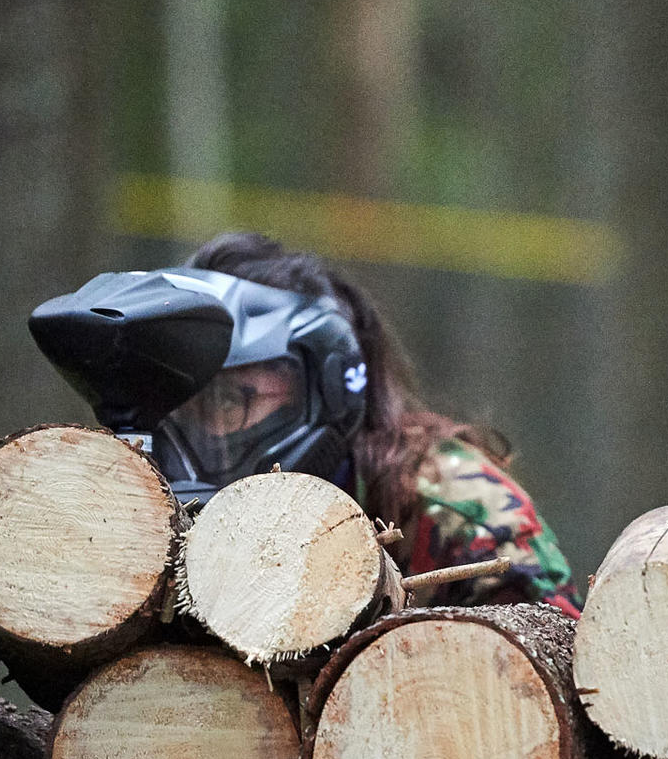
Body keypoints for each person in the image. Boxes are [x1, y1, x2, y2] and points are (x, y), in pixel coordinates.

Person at [47, 232, 580, 614]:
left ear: (326, 384)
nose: (207, 433)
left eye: (234, 400)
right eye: (188, 412)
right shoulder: (163, 520)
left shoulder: (451, 504)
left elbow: (547, 676)